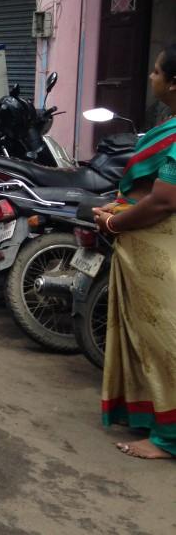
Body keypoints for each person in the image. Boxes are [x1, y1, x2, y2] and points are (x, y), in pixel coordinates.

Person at [93, 44, 176, 460]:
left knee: (166, 342)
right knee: (145, 338)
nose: (151, 76)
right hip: (149, 252)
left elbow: (164, 201)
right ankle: (151, 416)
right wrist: (121, 207)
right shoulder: (170, 123)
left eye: (157, 71)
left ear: (174, 82)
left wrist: (113, 221)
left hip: (165, 255)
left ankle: (169, 440)